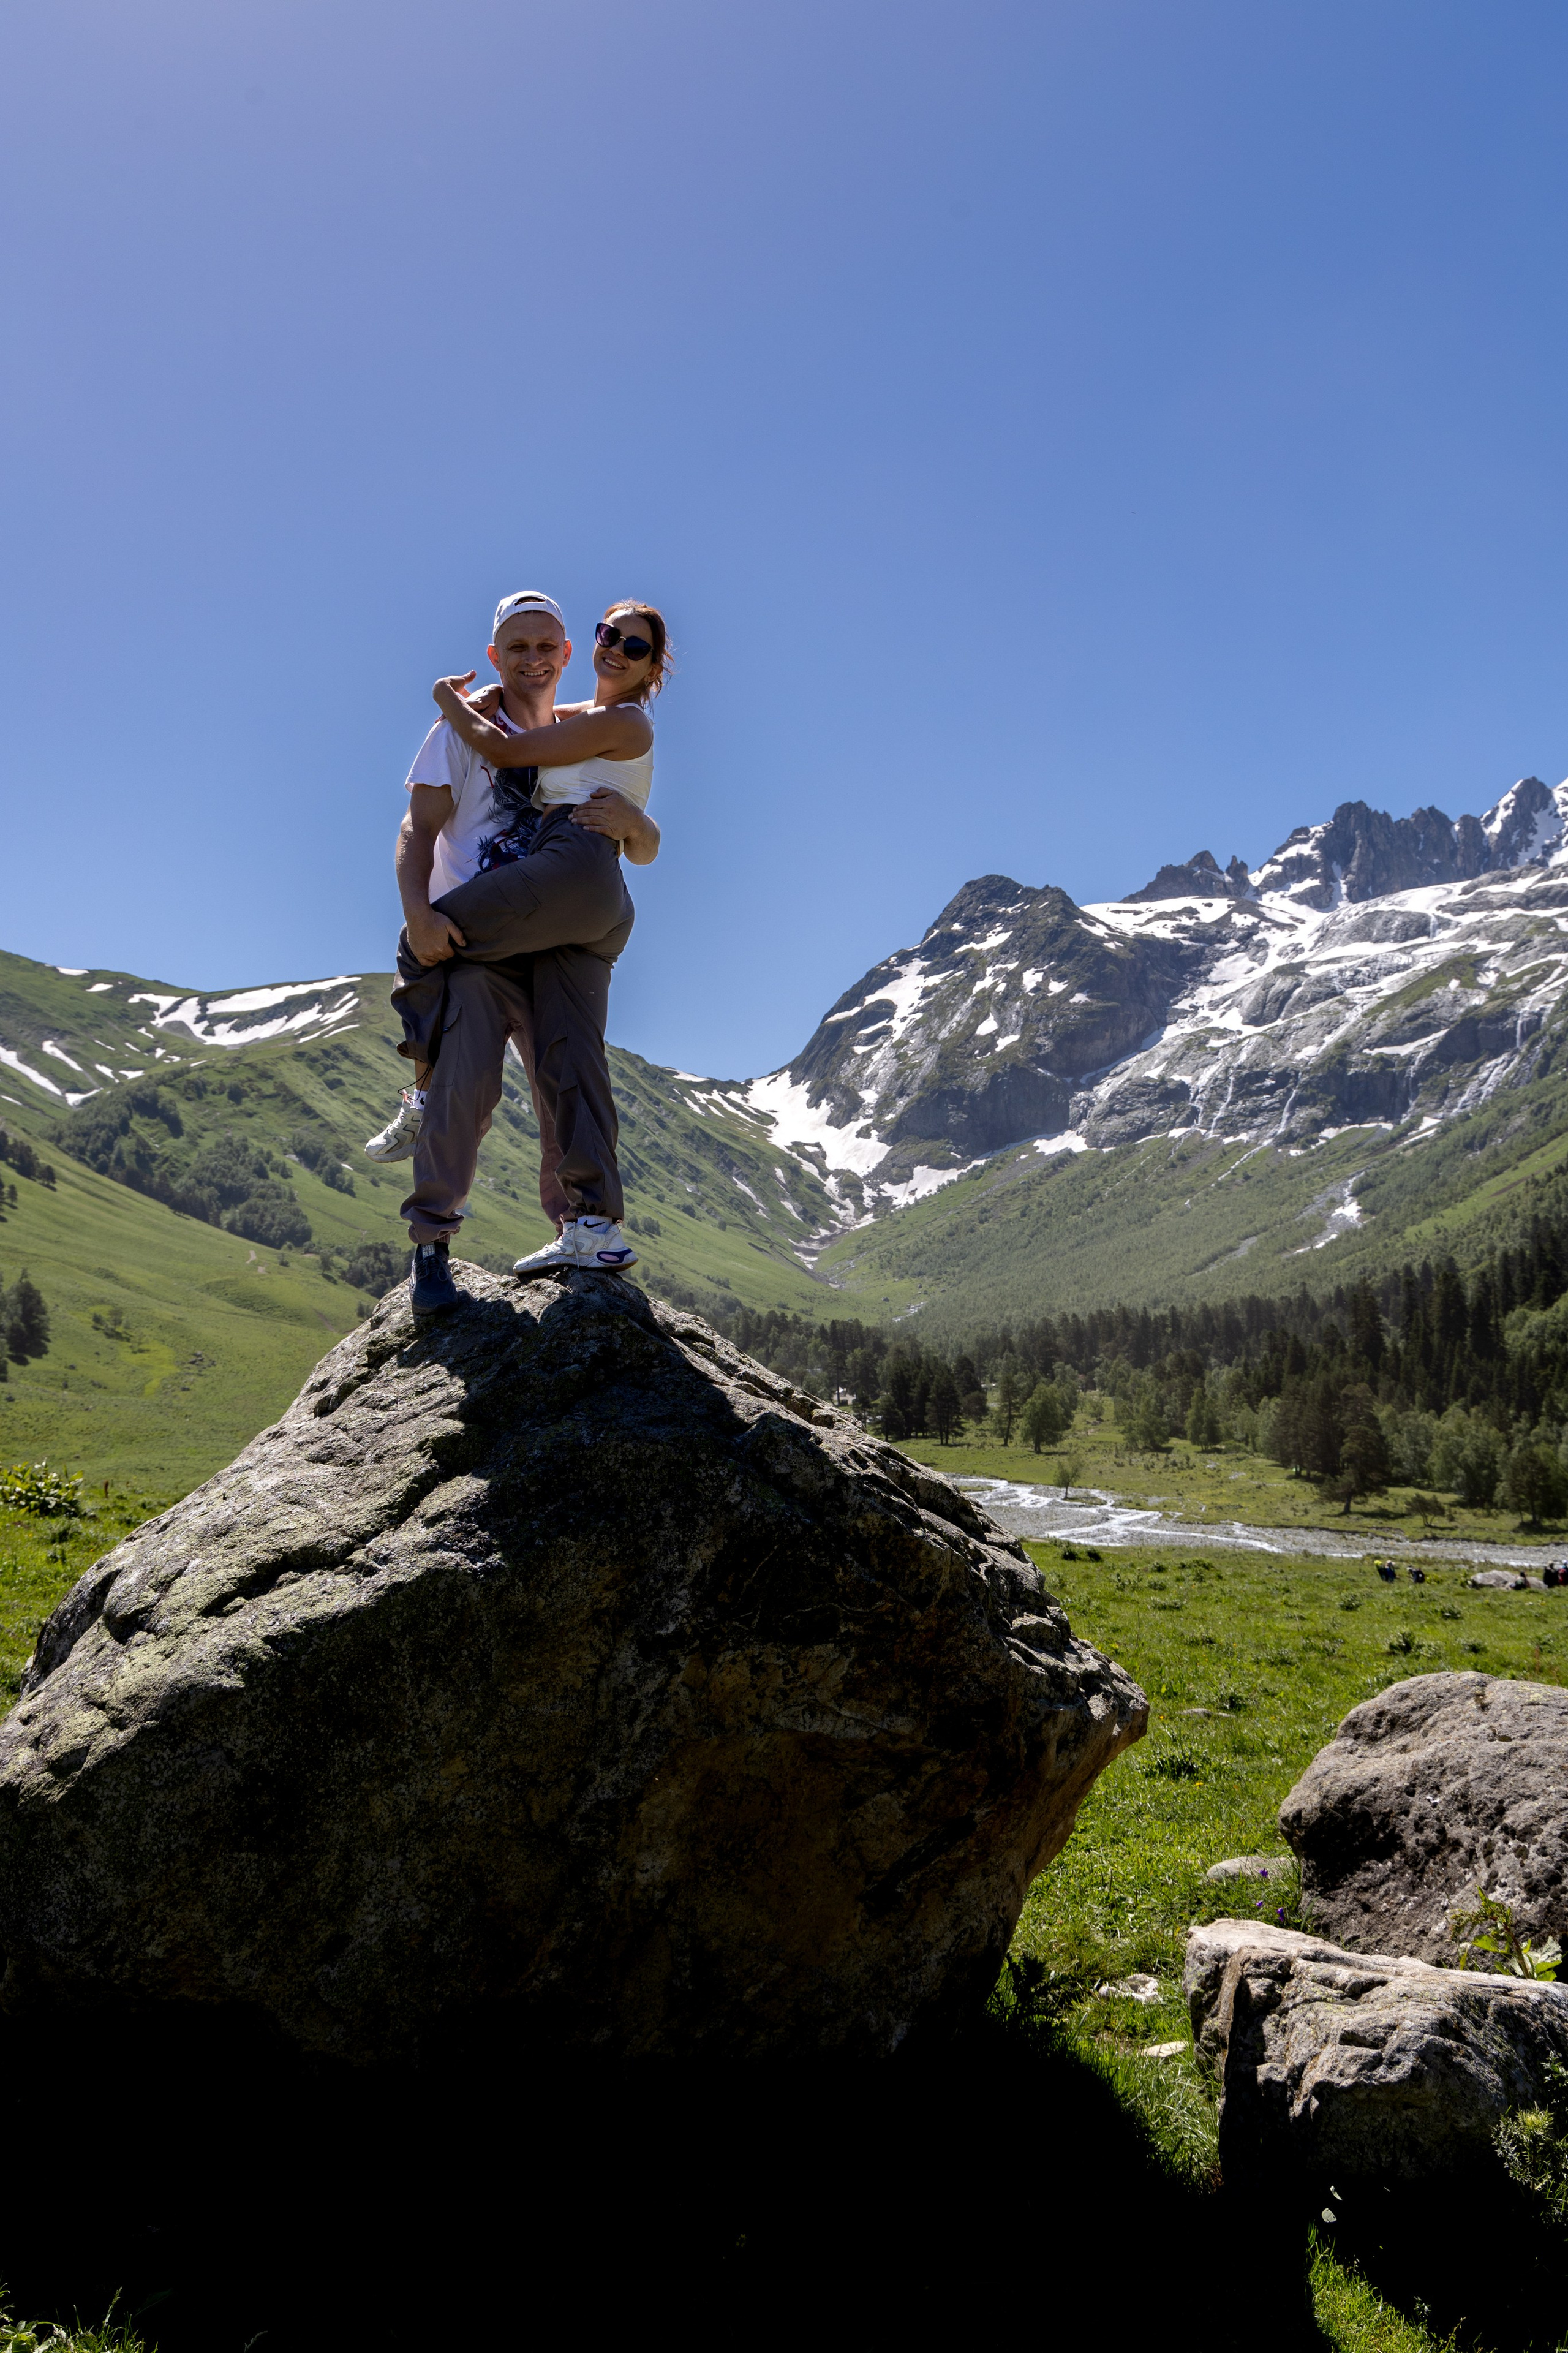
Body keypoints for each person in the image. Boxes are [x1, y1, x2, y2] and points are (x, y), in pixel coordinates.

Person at [371, 589, 668, 1313]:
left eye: (633, 646)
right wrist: (417, 912)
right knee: (479, 1087)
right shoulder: (509, 726)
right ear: (495, 656)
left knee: (561, 1080)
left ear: (563, 654)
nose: (534, 660)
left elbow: (640, 840)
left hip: (557, 911)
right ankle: (438, 1243)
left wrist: (638, 824)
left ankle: (580, 1226)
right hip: (501, 944)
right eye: (609, 636)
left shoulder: (600, 724)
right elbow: (417, 826)